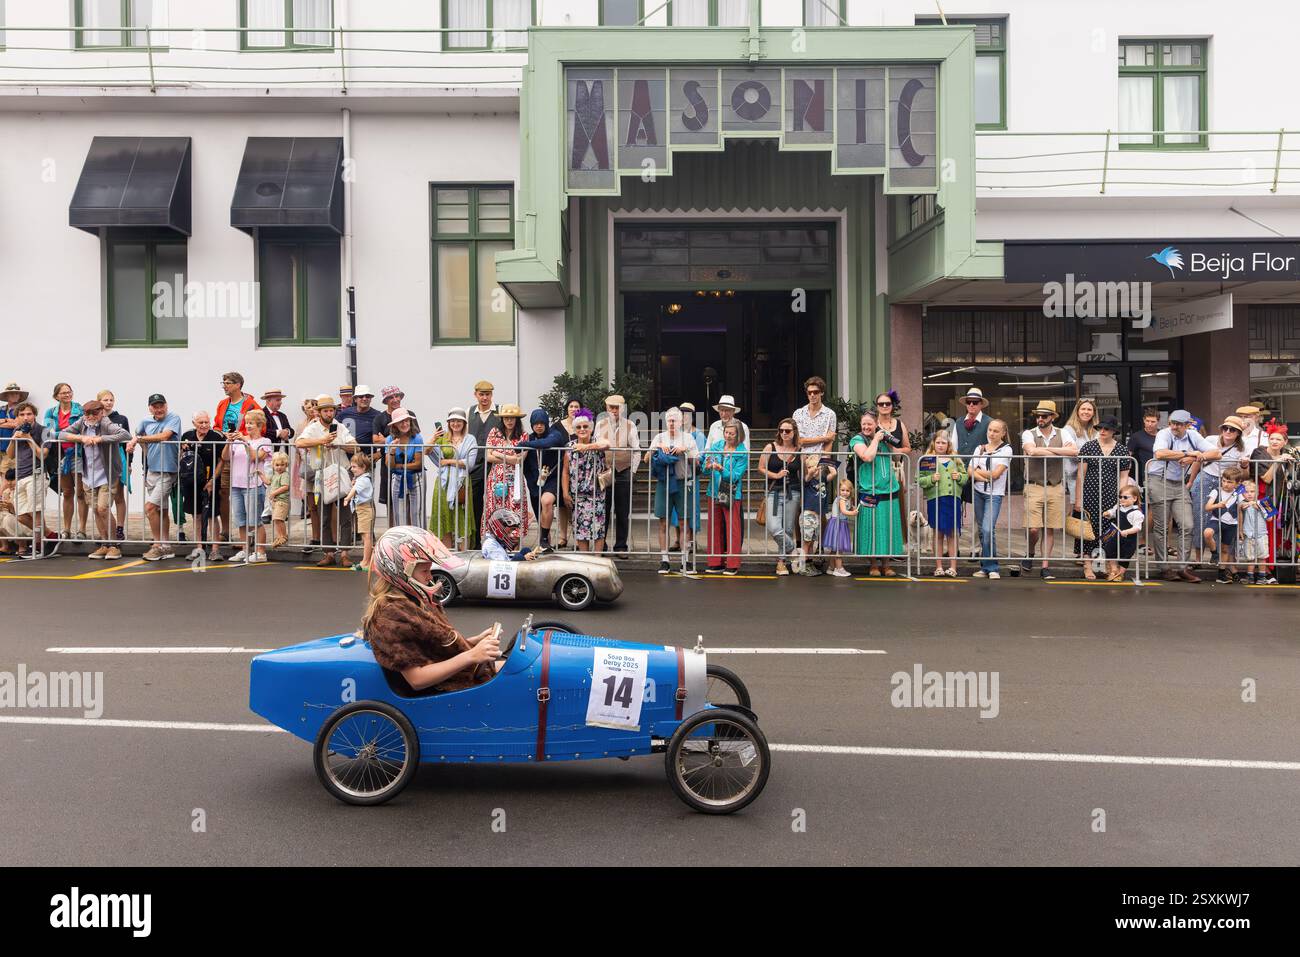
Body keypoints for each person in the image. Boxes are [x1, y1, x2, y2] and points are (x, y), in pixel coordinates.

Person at [361, 526, 501, 694]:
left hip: (453, 680)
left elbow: (436, 650)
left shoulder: (414, 602)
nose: (429, 577)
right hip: (438, 693)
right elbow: (417, 679)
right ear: (401, 572)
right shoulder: (391, 616)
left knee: (517, 667)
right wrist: (471, 655)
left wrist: (473, 642)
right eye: (425, 571)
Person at [1148, 409, 1220, 583]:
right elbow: (1160, 453)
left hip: (1179, 484)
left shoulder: (1193, 435)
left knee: (1187, 525)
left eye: (1179, 424)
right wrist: (1189, 454)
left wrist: (1196, 458)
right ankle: (1164, 567)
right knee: (1161, 527)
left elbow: (1217, 453)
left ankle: (1182, 567)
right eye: (1172, 422)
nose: (1174, 427)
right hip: (1159, 481)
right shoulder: (1164, 434)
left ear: (1187, 425)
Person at [57, 399, 129, 559]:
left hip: (107, 474)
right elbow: (61, 433)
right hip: (88, 475)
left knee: (103, 508)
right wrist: (81, 438)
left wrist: (100, 439)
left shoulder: (106, 423)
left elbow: (125, 434)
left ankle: (114, 545)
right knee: (96, 509)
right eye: (87, 413)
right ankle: (105, 544)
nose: (90, 416)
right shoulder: (82, 422)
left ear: (101, 412)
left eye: (94, 413)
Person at [296, 394, 358, 568]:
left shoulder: (339, 427)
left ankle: (345, 553)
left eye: (331, 410)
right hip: (321, 474)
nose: (330, 413)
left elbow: (355, 446)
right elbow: (299, 442)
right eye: (326, 411)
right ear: (319, 412)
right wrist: (321, 441)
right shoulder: (313, 427)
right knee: (324, 515)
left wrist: (338, 444)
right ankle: (328, 553)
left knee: (345, 515)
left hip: (341, 472)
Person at [1019, 399, 1073, 581]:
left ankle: (1045, 565)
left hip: (1055, 486)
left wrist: (1046, 449)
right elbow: (1032, 451)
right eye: (1038, 416)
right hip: (1034, 485)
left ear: (1052, 417)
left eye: (1044, 416)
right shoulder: (1028, 433)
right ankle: (1030, 552)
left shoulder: (1063, 432)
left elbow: (1074, 451)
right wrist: (1058, 451)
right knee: (1033, 528)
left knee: (1050, 529)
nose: (1039, 419)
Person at [127, 394, 183, 562]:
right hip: (152, 470)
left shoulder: (174, 418)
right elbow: (137, 437)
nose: (159, 409)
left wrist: (139, 439)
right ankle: (166, 546)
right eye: (155, 406)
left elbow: (165, 436)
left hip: (168, 470)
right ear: (150, 408)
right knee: (161, 510)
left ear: (166, 405)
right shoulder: (145, 421)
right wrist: (142, 449)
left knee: (150, 507)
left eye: (161, 405)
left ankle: (157, 545)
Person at [1074, 417, 1131, 580]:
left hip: (1111, 495)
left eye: (1106, 429)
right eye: (1101, 428)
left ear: (1114, 431)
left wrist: (1122, 498)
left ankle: (1111, 566)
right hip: (1090, 494)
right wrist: (1078, 499)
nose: (1103, 431)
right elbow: (1080, 475)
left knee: (1111, 531)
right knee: (1088, 530)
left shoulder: (1121, 449)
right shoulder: (1089, 446)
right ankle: (1087, 566)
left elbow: (1124, 477)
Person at [850, 410, 905, 576]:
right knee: (871, 528)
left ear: (876, 425)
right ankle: (873, 564)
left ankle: (887, 564)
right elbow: (867, 456)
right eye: (864, 424)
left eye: (870, 424)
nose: (866, 427)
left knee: (888, 527)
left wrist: (888, 440)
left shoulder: (882, 439)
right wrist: (875, 439)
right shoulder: (857, 439)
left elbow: (896, 459)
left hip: (889, 489)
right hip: (869, 490)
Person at [1187, 415, 1246, 562]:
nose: (1227, 431)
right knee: (1199, 518)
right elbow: (1197, 461)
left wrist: (1245, 465)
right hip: (1205, 478)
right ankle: (1198, 559)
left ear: (1238, 433)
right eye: (1225, 428)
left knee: (1224, 519)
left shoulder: (1241, 449)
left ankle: (1220, 558)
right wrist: (1191, 481)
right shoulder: (1210, 440)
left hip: (1225, 483)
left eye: (1232, 429)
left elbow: (1242, 474)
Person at [647, 407, 699, 573]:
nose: (671, 423)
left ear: (681, 421)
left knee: (684, 522)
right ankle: (664, 559)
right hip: (664, 482)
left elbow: (697, 461)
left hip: (683, 482)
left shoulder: (688, 438)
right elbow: (646, 458)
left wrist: (686, 450)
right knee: (663, 521)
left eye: (674, 420)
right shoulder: (659, 437)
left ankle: (685, 559)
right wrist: (657, 448)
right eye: (669, 420)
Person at [593, 394, 641, 556]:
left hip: (624, 472)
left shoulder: (630, 425)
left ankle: (621, 546)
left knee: (622, 511)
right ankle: (602, 545)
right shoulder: (600, 425)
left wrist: (632, 471)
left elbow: (636, 450)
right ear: (606, 408)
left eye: (617, 407)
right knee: (603, 510)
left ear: (622, 409)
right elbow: (596, 448)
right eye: (611, 407)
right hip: (605, 471)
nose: (614, 410)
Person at [518, 408, 570, 553]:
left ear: (546, 423)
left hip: (552, 479)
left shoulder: (555, 435)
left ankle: (544, 540)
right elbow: (525, 463)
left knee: (546, 502)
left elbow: (547, 443)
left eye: (542, 423)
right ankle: (546, 545)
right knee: (540, 513)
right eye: (536, 423)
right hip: (535, 482)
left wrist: (525, 444)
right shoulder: (529, 438)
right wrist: (531, 482)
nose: (539, 426)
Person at [1247, 424, 1294, 585]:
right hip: (1262, 500)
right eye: (1271, 438)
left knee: (1275, 536)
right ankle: (1265, 571)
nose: (1274, 441)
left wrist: (1290, 460)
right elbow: (1266, 479)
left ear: (1284, 442)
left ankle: (1269, 569)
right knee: (1263, 536)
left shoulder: (1286, 455)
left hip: (1279, 501)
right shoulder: (1260, 452)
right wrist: (1277, 462)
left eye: (1278, 439)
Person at [224, 408, 272, 564]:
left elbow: (254, 457)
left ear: (259, 424)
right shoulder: (238, 441)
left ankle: (261, 552)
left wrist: (245, 441)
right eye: (247, 423)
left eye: (251, 423)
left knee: (255, 520)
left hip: (253, 484)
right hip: (237, 484)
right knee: (241, 520)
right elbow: (225, 457)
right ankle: (245, 550)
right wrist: (229, 442)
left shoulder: (265, 442)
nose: (248, 426)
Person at [917, 430, 967, 577]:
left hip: (952, 499)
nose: (940, 445)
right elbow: (919, 480)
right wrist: (931, 478)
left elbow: (965, 477)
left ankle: (953, 567)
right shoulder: (928, 459)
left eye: (943, 443)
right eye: (938, 442)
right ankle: (938, 566)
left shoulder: (955, 459)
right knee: (937, 533)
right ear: (934, 443)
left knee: (952, 533)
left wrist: (959, 477)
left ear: (948, 444)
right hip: (936, 499)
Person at [7, 403, 55, 556]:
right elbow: (10, 455)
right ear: (17, 417)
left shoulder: (45, 430)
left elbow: (42, 455)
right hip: (20, 476)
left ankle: (38, 546)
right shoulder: (17, 429)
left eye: (28, 414)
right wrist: (14, 439)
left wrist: (28, 438)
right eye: (22, 415)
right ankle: (51, 536)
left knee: (35, 512)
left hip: (37, 474)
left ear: (34, 414)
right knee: (21, 515)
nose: (25, 417)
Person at [701, 420, 747, 575]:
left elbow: (735, 476)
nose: (728, 436)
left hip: (731, 492)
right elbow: (705, 469)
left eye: (732, 433)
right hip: (714, 491)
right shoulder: (717, 446)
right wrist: (707, 467)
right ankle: (715, 562)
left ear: (738, 434)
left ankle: (732, 563)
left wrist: (721, 469)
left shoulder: (742, 452)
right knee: (714, 527)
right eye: (726, 432)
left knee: (733, 528)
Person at [429, 408, 479, 550]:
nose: (455, 423)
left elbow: (469, 463)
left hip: (461, 483)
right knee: (444, 517)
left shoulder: (470, 439)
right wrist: (433, 438)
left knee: (462, 517)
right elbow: (427, 451)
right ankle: (447, 555)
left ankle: (464, 554)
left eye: (458, 421)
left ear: (464, 423)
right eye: (452, 421)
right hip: (443, 483)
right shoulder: (442, 438)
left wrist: (448, 461)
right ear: (448, 422)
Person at [482, 403, 531, 548]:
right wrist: (509, 457)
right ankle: (496, 544)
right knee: (495, 508)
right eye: (506, 418)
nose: (509, 421)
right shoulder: (494, 432)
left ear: (517, 419)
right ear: (502, 419)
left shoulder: (523, 435)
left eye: (512, 418)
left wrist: (497, 453)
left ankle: (513, 545)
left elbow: (520, 459)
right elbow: (488, 457)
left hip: (514, 479)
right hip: (496, 478)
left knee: (514, 509)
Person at [180, 412, 227, 561]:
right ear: (194, 423)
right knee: (197, 515)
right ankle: (199, 548)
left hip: (211, 481)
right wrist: (182, 448)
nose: (204, 425)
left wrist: (213, 480)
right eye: (200, 422)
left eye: (206, 422)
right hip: (192, 482)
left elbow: (222, 460)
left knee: (213, 515)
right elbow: (182, 457)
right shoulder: (187, 435)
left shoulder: (216, 437)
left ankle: (215, 549)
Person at [968, 418, 1012, 579]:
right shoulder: (979, 448)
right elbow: (970, 471)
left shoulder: (1006, 450)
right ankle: (985, 566)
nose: (992, 433)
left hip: (994, 495)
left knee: (988, 529)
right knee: (981, 530)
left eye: (996, 431)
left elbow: (996, 474)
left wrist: (980, 473)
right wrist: (984, 477)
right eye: (990, 430)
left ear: (1003, 433)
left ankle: (993, 567)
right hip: (978, 492)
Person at [44, 383, 87, 541]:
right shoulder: (51, 412)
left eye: (69, 392)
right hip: (60, 456)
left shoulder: (80, 409)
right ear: (56, 396)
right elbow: (47, 434)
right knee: (67, 493)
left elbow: (83, 430)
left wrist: (60, 434)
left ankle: (82, 530)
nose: (67, 395)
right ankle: (67, 529)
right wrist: (69, 435)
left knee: (81, 493)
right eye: (63, 393)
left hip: (78, 454)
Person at [759, 418, 802, 575]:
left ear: (794, 432)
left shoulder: (798, 450)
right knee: (774, 527)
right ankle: (794, 551)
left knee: (788, 529)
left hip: (794, 492)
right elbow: (761, 467)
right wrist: (776, 475)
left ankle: (781, 563)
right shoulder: (770, 447)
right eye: (782, 430)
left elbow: (802, 473)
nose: (784, 433)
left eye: (788, 431)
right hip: (774, 492)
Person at [562, 409, 607, 554]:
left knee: (598, 528)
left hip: (597, 494)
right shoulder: (570, 447)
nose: (582, 429)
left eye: (585, 426)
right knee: (581, 530)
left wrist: (586, 447)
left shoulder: (596, 442)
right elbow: (565, 472)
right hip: (578, 495)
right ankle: (585, 559)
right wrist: (565, 493)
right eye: (579, 427)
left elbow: (607, 443)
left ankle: (598, 559)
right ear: (575, 429)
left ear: (591, 428)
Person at [372, 385, 417, 515]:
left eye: (397, 396)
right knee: (391, 502)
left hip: (410, 463)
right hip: (389, 464)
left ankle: (410, 534)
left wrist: (387, 439)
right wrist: (392, 439)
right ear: (386, 401)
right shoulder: (379, 418)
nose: (395, 399)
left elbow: (415, 434)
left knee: (410, 501)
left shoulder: (410, 414)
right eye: (391, 397)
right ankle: (393, 533)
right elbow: (375, 440)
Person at [96, 390, 132, 542]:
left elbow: (128, 442)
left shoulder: (121, 418)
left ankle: (119, 528)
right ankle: (105, 530)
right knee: (102, 500)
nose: (109, 402)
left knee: (118, 495)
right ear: (99, 401)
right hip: (100, 461)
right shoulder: (95, 417)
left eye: (111, 400)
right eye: (105, 400)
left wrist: (129, 463)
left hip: (119, 460)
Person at [385, 408, 426, 530]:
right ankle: (401, 544)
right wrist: (392, 452)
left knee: (416, 514)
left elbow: (418, 463)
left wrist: (400, 466)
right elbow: (390, 465)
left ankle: (420, 544)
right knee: (398, 514)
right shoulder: (389, 440)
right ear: (395, 425)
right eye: (401, 422)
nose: (404, 424)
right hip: (397, 478)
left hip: (416, 478)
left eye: (407, 421)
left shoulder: (417, 438)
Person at [466, 381, 500, 524]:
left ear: (491, 395)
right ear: (475, 395)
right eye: (481, 394)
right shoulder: (469, 411)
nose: (484, 398)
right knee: (475, 501)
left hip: (495, 463)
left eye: (487, 394)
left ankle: (497, 535)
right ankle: (476, 539)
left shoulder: (500, 410)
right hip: (475, 464)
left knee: (497, 499)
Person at [677, 402, 708, 552]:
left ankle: (691, 540)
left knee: (691, 508)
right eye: (681, 414)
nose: (684, 417)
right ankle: (678, 540)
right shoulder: (675, 433)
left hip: (691, 475)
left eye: (686, 414)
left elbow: (701, 457)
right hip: (676, 475)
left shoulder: (699, 435)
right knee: (677, 510)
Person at [1202, 468, 1244, 583]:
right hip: (1217, 520)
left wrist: (1240, 529)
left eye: (1229, 482)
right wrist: (1218, 505)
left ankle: (1221, 574)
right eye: (1224, 481)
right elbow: (1207, 507)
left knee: (1225, 549)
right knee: (1207, 533)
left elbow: (1240, 512)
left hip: (1232, 523)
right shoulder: (1217, 491)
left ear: (1237, 483)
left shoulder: (1238, 494)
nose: (1225, 484)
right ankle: (1214, 554)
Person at [553, 396, 583, 549]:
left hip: (581, 470)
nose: (574, 409)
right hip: (562, 469)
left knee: (577, 504)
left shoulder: (583, 425)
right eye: (571, 406)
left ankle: (578, 539)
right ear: (567, 409)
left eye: (576, 406)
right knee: (562, 504)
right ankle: (562, 537)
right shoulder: (558, 426)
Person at [798, 456, 836, 576]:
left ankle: (809, 565)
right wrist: (812, 470)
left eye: (813, 467)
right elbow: (808, 476)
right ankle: (802, 566)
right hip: (808, 515)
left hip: (818, 516)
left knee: (812, 542)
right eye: (808, 467)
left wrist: (826, 461)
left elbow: (834, 473)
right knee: (806, 542)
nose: (811, 469)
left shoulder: (823, 479)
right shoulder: (807, 480)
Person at [1101, 483, 1144, 582]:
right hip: (1116, 535)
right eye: (1120, 497)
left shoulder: (1136, 513)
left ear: (1134, 498)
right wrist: (1108, 513)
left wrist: (1128, 531)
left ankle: (1121, 573)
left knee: (1125, 555)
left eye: (1125, 497)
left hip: (1129, 539)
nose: (1122, 499)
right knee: (1109, 549)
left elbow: (1137, 527)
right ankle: (1113, 570)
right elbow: (1113, 512)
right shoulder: (1118, 507)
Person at [294, 397, 321, 549]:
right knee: (312, 506)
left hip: (323, 468)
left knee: (328, 505)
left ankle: (330, 539)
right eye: (311, 407)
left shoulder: (324, 424)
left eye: (316, 408)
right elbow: (298, 444)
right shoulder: (304, 425)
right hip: (309, 468)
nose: (313, 410)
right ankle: (315, 538)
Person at [344, 452, 375, 571]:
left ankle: (366, 562)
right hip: (362, 509)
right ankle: (366, 560)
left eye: (354, 467)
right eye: (351, 467)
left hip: (364, 509)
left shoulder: (363, 479)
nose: (352, 469)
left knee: (366, 537)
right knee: (365, 536)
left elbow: (355, 491)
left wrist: (347, 498)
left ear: (363, 467)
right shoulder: (361, 478)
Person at [1238, 480, 1272, 584]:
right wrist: (1240, 531)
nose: (1249, 494)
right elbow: (1239, 517)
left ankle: (1262, 577)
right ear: (1243, 493)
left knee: (1262, 556)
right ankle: (1250, 576)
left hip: (1261, 534)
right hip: (1248, 534)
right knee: (1250, 557)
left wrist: (1261, 508)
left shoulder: (1264, 503)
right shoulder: (1242, 504)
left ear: (1257, 492)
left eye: (1252, 491)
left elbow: (1270, 519)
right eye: (1247, 492)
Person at [823, 477, 858, 578]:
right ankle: (839, 569)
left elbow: (848, 507)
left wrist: (852, 507)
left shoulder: (847, 499)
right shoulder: (841, 499)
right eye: (842, 490)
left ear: (851, 491)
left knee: (834, 549)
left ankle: (831, 567)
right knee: (839, 548)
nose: (845, 492)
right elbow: (843, 511)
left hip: (840, 523)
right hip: (838, 524)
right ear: (838, 490)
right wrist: (852, 513)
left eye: (847, 490)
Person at [793, 376, 837, 454]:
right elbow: (799, 441)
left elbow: (829, 442)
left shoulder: (830, 414)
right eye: (809, 392)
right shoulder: (798, 413)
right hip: (800, 458)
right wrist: (824, 438)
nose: (812, 395)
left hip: (819, 459)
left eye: (816, 392)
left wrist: (825, 463)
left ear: (822, 392)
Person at [336, 385, 379, 457]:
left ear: (371, 399)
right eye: (361, 396)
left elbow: (387, 438)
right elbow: (332, 427)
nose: (364, 399)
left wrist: (378, 454)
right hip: (344, 460)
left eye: (367, 396)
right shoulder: (345, 413)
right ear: (355, 399)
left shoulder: (378, 415)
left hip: (366, 462)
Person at [215, 372, 261, 437]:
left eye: (227, 383)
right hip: (224, 444)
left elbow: (261, 427)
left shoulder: (251, 405)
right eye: (223, 383)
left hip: (242, 444)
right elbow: (216, 426)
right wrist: (223, 434)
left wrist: (242, 435)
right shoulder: (222, 404)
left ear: (238, 385)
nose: (224, 386)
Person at [0, 382, 28, 476]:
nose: (15, 395)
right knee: (3, 477)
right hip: (2, 449)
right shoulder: (2, 409)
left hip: (13, 450)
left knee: (9, 477)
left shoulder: (22, 409)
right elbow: (13, 423)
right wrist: (8, 420)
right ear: (6, 396)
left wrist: (3, 422)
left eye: (17, 393)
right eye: (12, 393)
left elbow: (17, 424)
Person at [267, 451, 292, 549]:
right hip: (276, 501)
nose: (279, 467)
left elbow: (286, 486)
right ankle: (279, 536)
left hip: (282, 501)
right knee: (276, 520)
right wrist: (260, 474)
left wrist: (274, 493)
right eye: (277, 465)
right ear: (273, 465)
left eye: (282, 465)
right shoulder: (275, 475)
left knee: (279, 519)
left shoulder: (285, 475)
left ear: (286, 465)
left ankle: (283, 536)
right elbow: (268, 482)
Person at [260, 388, 295, 452]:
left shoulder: (282, 415)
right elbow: (261, 431)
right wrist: (278, 433)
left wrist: (287, 431)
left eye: (280, 400)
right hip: (268, 453)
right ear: (268, 400)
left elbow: (292, 431)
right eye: (278, 400)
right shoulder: (260, 414)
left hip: (285, 454)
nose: (281, 402)